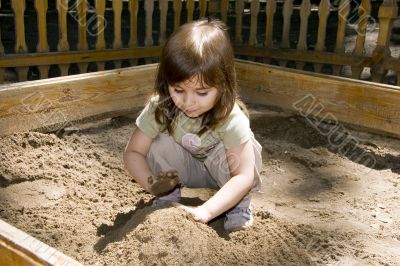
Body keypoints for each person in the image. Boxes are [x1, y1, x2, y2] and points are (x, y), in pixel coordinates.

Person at [123, 19, 262, 232]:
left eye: (202, 92)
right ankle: (169, 195)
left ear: (223, 85)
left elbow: (243, 176)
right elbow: (133, 152)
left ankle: (237, 207)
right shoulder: (161, 106)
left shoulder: (231, 118)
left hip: (225, 173)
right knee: (156, 140)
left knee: (246, 151)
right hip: (190, 167)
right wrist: (154, 185)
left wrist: (205, 211)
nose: (189, 102)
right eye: (178, 90)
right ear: (166, 82)